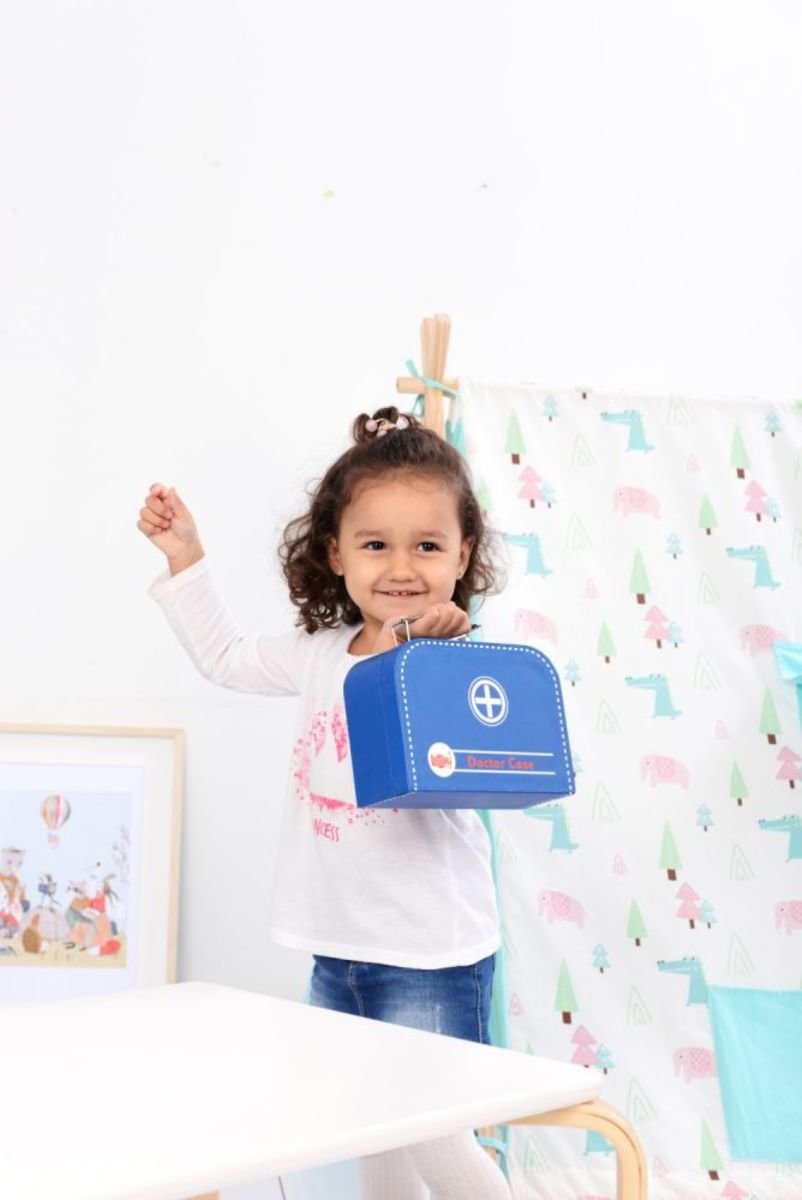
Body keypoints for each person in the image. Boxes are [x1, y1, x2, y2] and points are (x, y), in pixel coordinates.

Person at [138, 406, 511, 1199]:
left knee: (435, 1132)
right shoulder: (317, 657)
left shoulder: (446, 661)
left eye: (428, 546)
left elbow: (469, 735)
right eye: (375, 544)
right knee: (371, 1129)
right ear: (335, 552)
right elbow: (227, 657)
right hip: (339, 945)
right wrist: (187, 557)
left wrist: (428, 644)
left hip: (429, 954)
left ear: (463, 554)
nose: (401, 567)